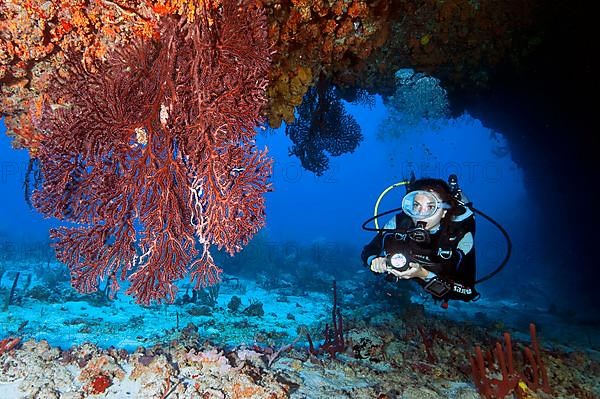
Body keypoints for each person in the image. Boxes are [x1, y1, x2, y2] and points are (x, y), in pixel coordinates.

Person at [361, 177, 479, 305]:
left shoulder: (460, 235)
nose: (420, 215)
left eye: (431, 207)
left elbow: (468, 292)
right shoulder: (400, 223)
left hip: (438, 278)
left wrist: (423, 274)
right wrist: (376, 261)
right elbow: (368, 251)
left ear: (444, 211)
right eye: (416, 206)